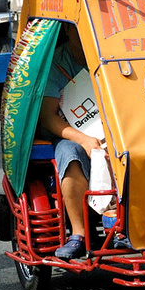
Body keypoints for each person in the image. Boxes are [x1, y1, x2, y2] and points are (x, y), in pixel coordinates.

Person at [39, 23, 102, 259]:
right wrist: (84, 139)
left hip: (109, 129)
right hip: (65, 134)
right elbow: (47, 117)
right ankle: (79, 234)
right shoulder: (56, 63)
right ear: (68, 30)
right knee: (70, 153)